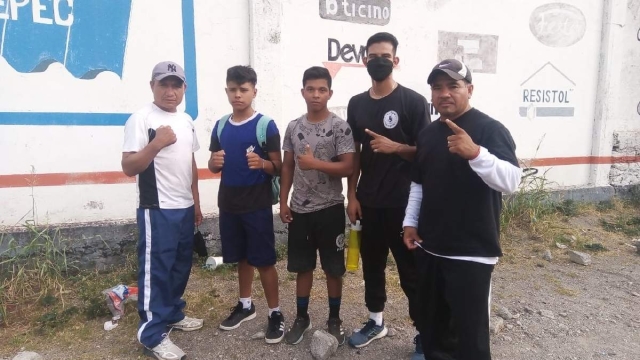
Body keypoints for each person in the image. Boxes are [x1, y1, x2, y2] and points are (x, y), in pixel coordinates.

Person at [402, 59, 522, 360]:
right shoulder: (428, 134)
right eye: (437, 87)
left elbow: (511, 181)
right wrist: (409, 222)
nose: (444, 93)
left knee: (471, 340)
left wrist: (476, 154)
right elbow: (419, 185)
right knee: (433, 332)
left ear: (469, 89)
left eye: (453, 86)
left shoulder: (490, 129)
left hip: (472, 253)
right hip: (430, 249)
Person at [345, 32, 431, 357]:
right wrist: (351, 196)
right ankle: (376, 321)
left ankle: (425, 333)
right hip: (368, 201)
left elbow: (426, 153)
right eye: (372, 55)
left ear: (395, 61)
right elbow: (353, 154)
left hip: (404, 204)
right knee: (372, 266)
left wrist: (395, 147)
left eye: (385, 56)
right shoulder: (357, 104)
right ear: (364, 59)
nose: (378, 61)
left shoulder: (412, 102)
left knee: (411, 271)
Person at [121, 61, 203, 360]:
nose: (170, 91)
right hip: (157, 209)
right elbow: (129, 167)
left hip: (183, 207)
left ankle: (171, 314)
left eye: (176, 85)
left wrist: (195, 200)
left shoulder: (185, 120)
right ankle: (151, 334)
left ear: (184, 88)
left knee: (180, 266)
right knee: (156, 271)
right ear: (152, 85)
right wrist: (156, 144)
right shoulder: (141, 119)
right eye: (164, 84)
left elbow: (190, 162)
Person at [208, 65, 285, 344]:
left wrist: (263, 163)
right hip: (229, 203)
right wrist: (213, 164)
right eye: (233, 89)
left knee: (263, 260)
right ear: (226, 90)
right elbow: (213, 163)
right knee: (240, 257)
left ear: (254, 91)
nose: (238, 95)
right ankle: (245, 304)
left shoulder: (265, 125)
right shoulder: (220, 125)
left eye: (243, 90)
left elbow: (279, 166)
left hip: (257, 204)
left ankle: (275, 313)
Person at [279, 66, 355, 346]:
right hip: (299, 209)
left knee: (334, 268)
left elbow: (349, 166)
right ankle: (302, 317)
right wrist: (283, 200)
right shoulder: (293, 126)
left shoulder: (339, 127)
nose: (316, 94)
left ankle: (334, 319)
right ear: (303, 92)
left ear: (330, 93)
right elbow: (287, 166)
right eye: (310, 89)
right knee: (303, 267)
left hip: (331, 208)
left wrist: (315, 164)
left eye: (322, 89)